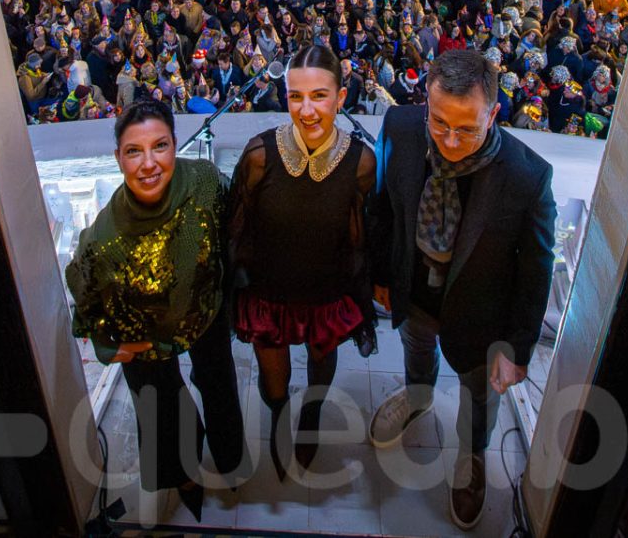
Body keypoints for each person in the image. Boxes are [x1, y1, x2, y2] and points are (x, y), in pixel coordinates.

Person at [367, 47, 556, 530]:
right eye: (439, 123)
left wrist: (516, 348)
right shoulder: (401, 128)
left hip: (480, 316)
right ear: (425, 106)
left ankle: (471, 459)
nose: (450, 141)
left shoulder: (526, 176)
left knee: (479, 396)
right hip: (415, 291)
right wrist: (382, 275)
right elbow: (385, 207)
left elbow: (536, 270)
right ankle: (417, 396)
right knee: (415, 348)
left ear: (493, 113)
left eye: (467, 128)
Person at [66, 99, 245, 522]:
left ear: (174, 144)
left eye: (160, 146)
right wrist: (113, 347)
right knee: (164, 408)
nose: (149, 163)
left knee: (219, 385)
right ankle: (184, 477)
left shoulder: (204, 182)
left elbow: (232, 236)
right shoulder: (102, 240)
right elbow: (87, 304)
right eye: (134, 151)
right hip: (146, 337)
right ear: (118, 158)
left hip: (206, 311)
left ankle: (230, 457)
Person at [227, 45, 377, 478]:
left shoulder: (361, 163)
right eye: (296, 97)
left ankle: (310, 419)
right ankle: (278, 418)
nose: (307, 110)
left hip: (326, 296)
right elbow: (239, 230)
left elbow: (358, 237)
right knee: (274, 382)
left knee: (319, 368)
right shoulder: (259, 157)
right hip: (268, 295)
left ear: (341, 98)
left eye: (319, 96)